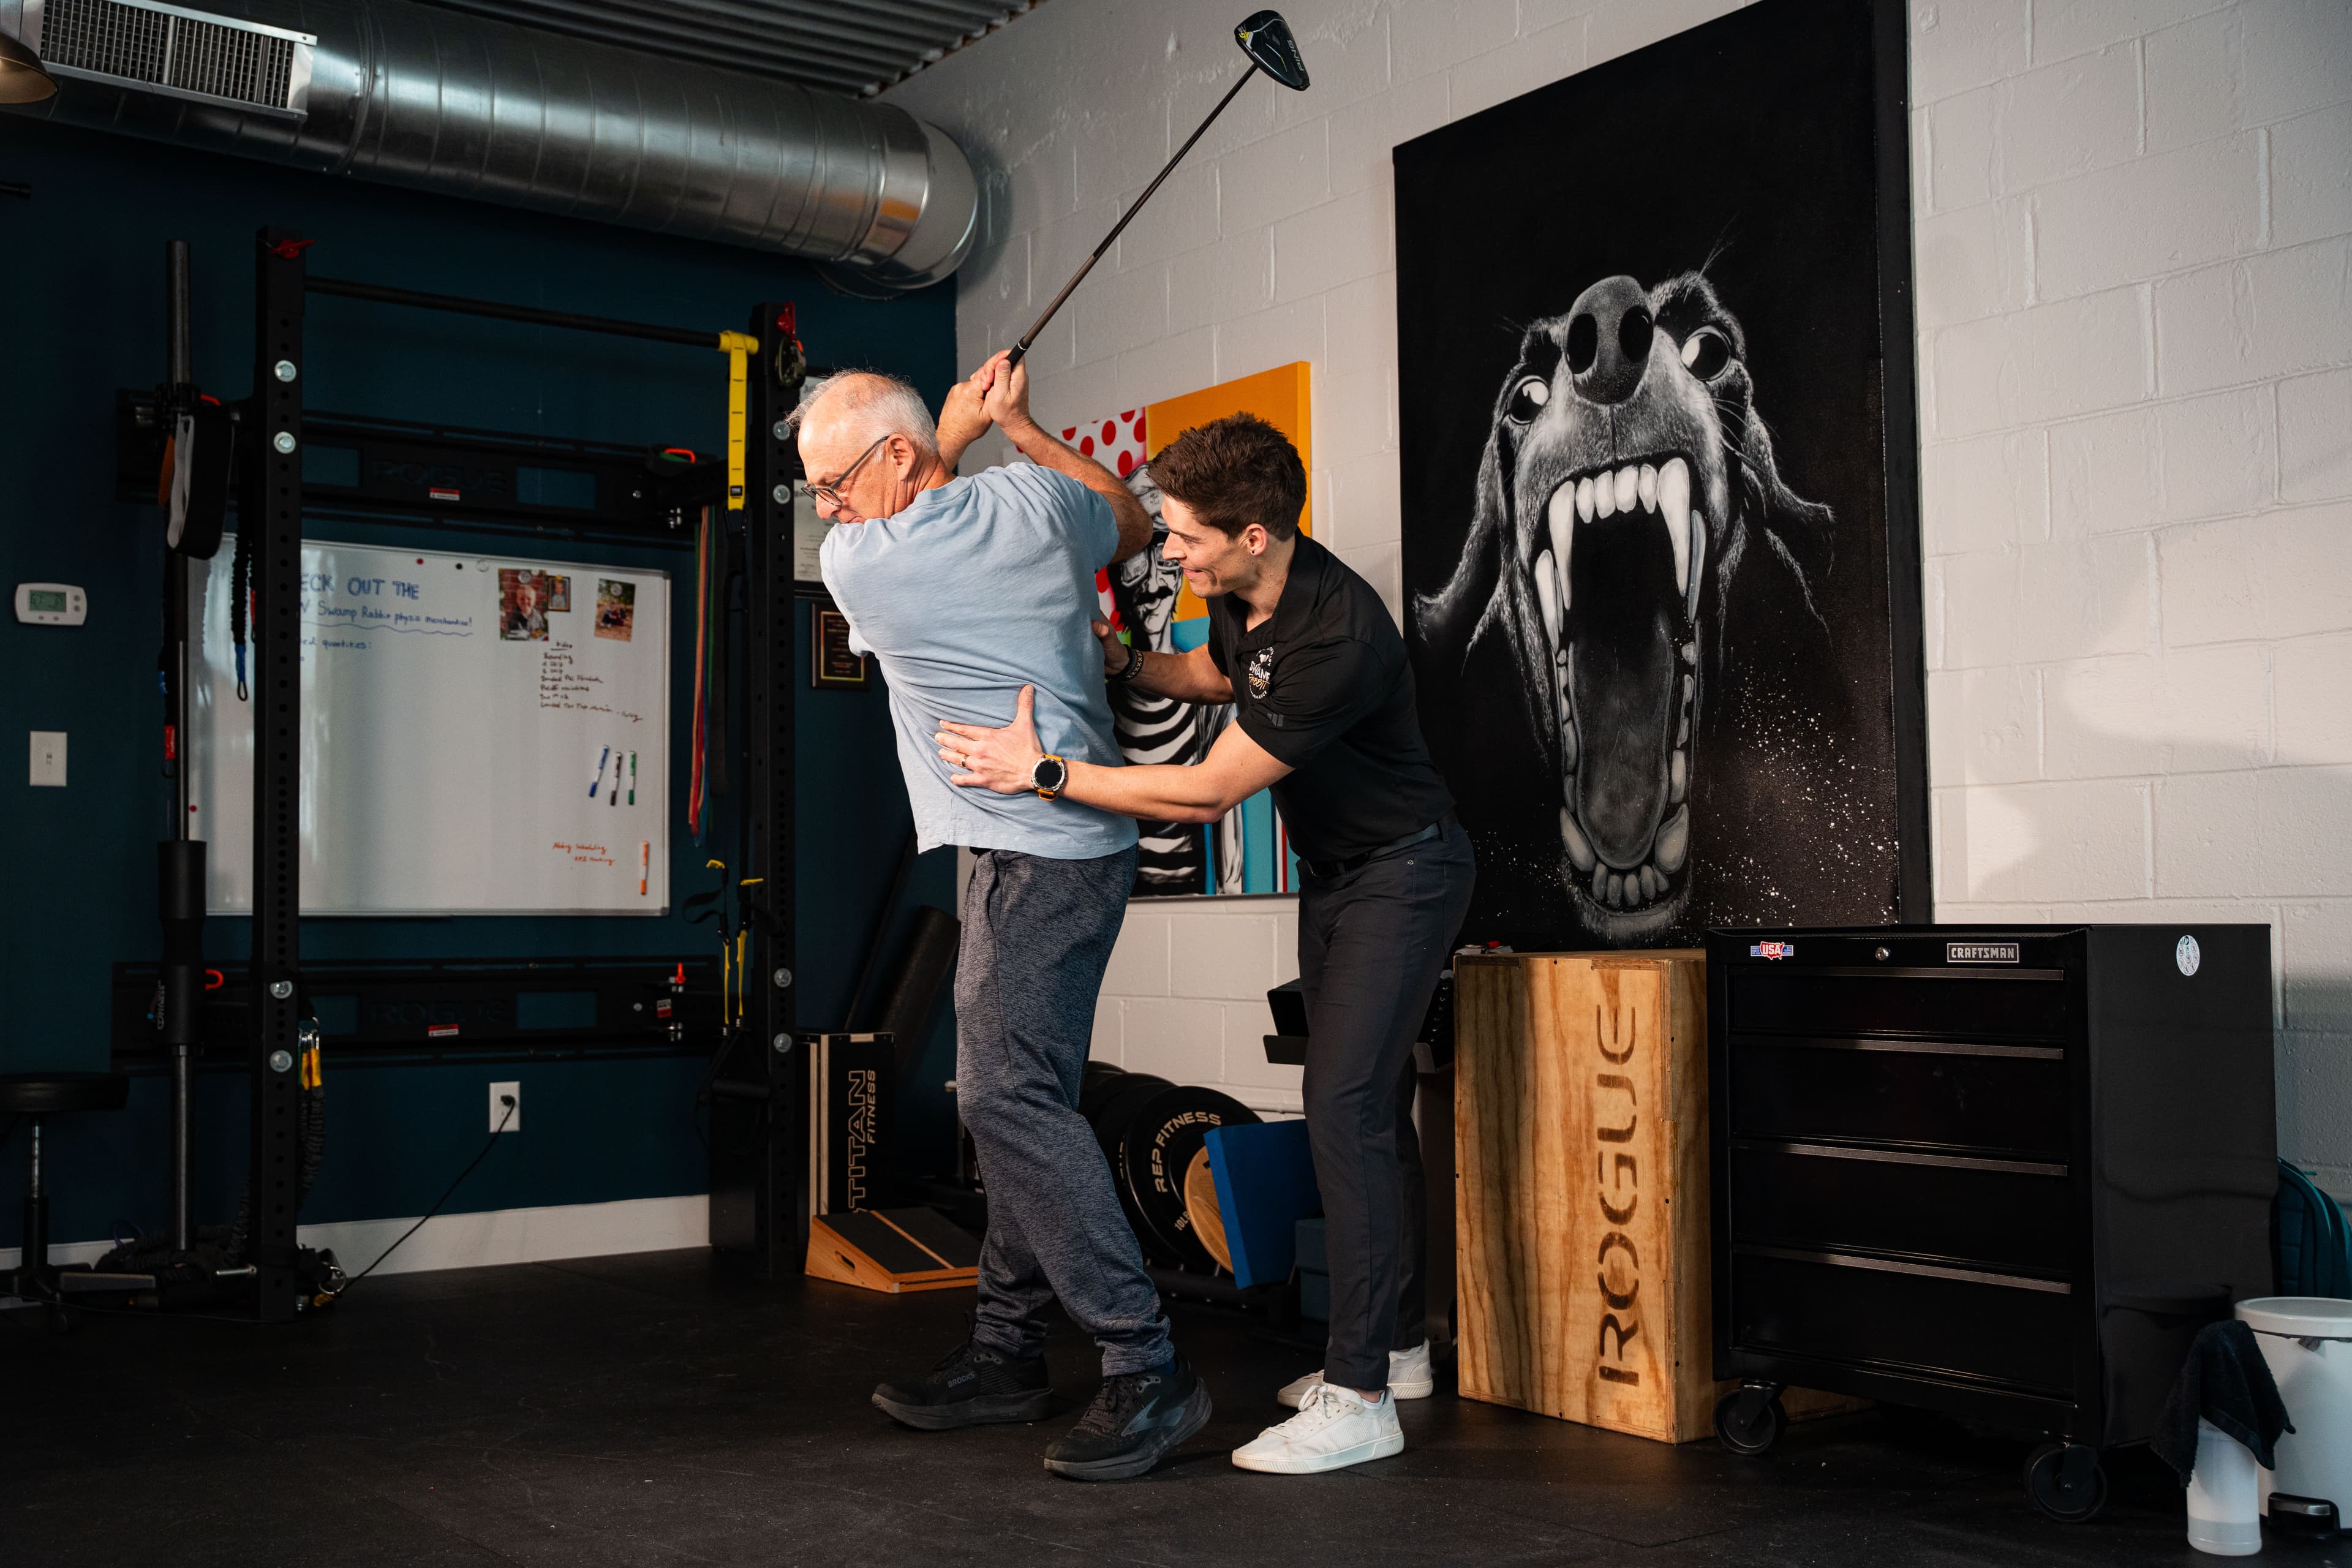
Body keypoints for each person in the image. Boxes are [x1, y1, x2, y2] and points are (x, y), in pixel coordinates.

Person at [937, 412, 1474, 1476]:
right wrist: (1122, 659)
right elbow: (1214, 678)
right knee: (1368, 1109)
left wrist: (1042, 773)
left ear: (1258, 534)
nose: (1169, 551)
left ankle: (1360, 1396)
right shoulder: (1243, 597)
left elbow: (1204, 792)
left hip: (1408, 874)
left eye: (1185, 536)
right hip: (1342, 879)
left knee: (1345, 1109)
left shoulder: (1338, 635)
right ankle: (1400, 1346)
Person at [796, 352, 1213, 1483]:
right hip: (1054, 850)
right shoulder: (1037, 503)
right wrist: (1017, 430)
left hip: (1040, 856)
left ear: (893, 459)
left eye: (833, 483)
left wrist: (962, 428)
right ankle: (1005, 1353)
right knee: (1023, 1103)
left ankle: (1145, 1365)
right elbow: (1125, 524)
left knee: (1002, 1097)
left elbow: (923, 482)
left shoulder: (861, 565)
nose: (826, 511)